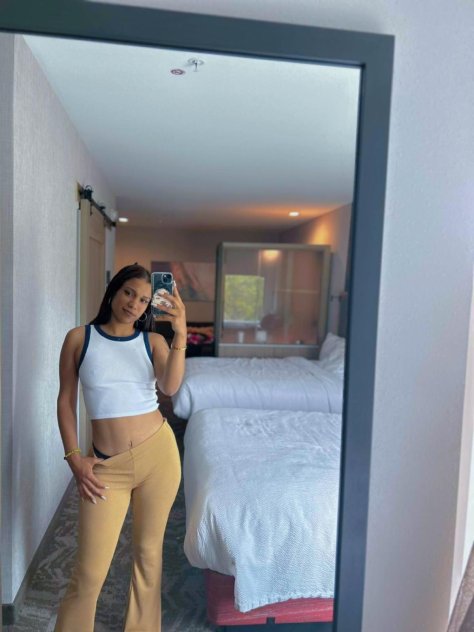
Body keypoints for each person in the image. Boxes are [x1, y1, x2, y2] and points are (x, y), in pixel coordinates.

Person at [54, 263, 186, 632]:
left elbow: (170, 387)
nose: (134, 304)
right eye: (129, 292)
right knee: (89, 571)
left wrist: (181, 331)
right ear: (114, 290)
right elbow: (65, 401)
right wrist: (74, 459)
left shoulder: (153, 342)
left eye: (144, 300)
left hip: (159, 458)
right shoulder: (79, 339)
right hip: (106, 468)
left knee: (148, 556)